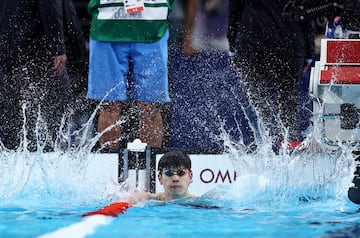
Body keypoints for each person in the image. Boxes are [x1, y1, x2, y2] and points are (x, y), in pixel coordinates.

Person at [227, 0, 315, 152]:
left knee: (258, 105)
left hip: (253, 44)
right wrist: (309, 52)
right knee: (287, 106)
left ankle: (264, 152)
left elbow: (234, 12)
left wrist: (233, 48)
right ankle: (289, 150)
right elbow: (305, 13)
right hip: (289, 44)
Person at [87, 0, 175, 150]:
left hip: (152, 25)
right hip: (107, 24)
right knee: (109, 105)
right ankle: (109, 167)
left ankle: (151, 168)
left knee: (150, 107)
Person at [0, 0, 72, 151]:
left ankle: (11, 151)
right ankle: (46, 151)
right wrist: (57, 47)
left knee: (12, 106)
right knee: (53, 106)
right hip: (36, 45)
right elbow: (50, 6)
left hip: (8, 44)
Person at [126, 150, 195, 204]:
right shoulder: (148, 200)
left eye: (181, 173)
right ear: (160, 178)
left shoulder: (201, 204)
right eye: (169, 173)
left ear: (190, 176)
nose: (175, 179)